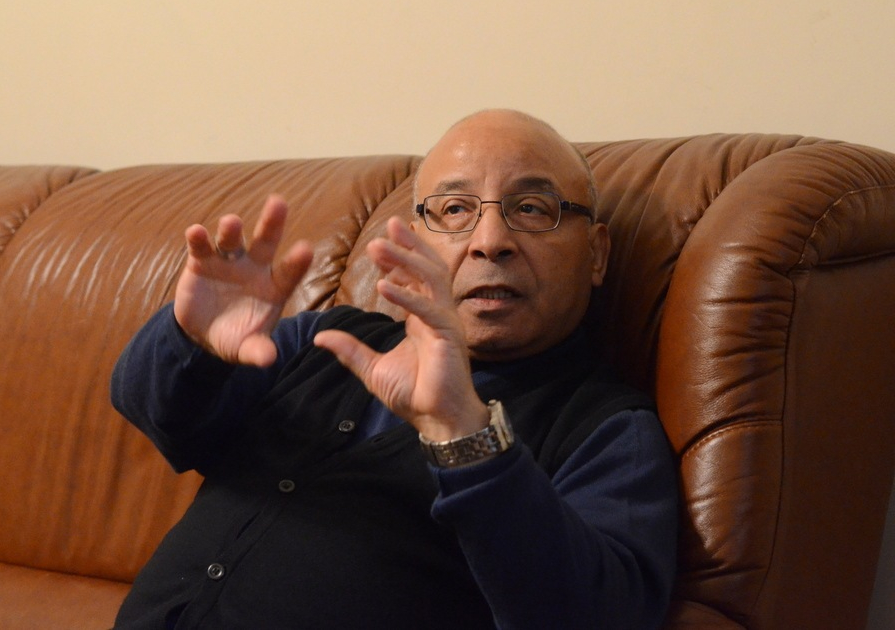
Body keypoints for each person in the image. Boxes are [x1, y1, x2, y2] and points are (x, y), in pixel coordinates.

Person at [111, 109, 678, 629]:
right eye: (454, 210)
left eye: (531, 208)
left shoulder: (608, 430)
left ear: (597, 254)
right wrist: (194, 344)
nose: (489, 242)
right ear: (416, 239)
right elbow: (164, 418)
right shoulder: (324, 339)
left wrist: (463, 433)